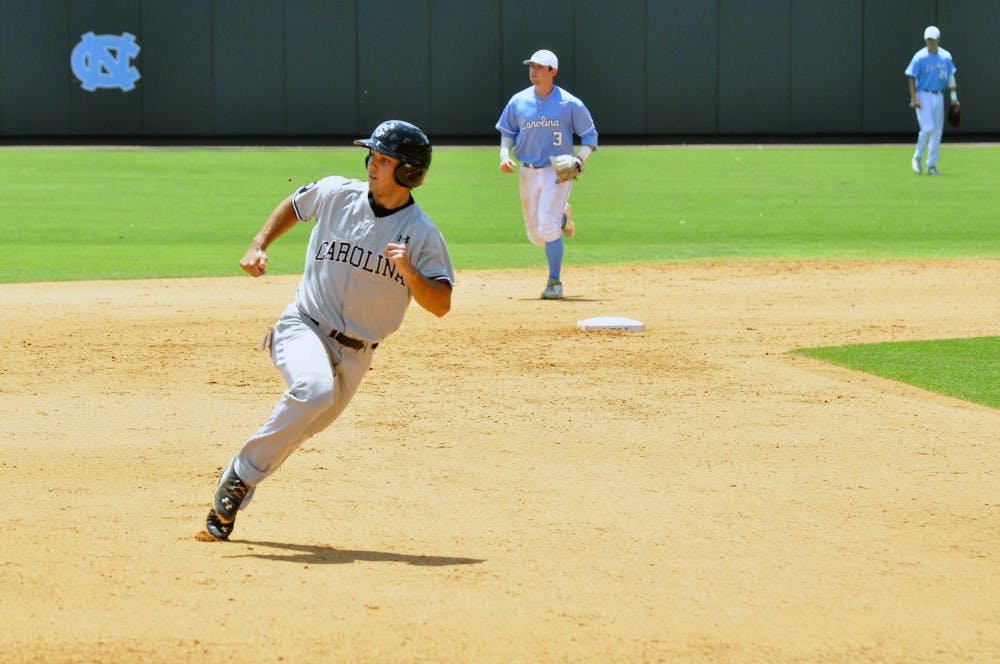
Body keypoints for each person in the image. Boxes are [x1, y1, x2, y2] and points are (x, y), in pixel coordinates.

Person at [199, 120, 454, 541]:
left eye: (384, 159)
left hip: (357, 355)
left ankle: (234, 491)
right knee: (312, 391)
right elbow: (295, 205)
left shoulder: (423, 235)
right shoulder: (338, 193)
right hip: (303, 324)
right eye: (372, 154)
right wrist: (258, 243)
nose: (372, 163)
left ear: (409, 171)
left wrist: (408, 270)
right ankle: (239, 479)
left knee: (302, 426)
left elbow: (441, 305)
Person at [496, 49, 598, 300]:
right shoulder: (518, 101)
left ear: (553, 71)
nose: (534, 70)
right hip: (527, 172)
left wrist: (579, 159)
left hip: (557, 172)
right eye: (532, 65)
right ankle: (562, 219)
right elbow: (508, 132)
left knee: (546, 226)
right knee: (536, 235)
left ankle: (554, 282)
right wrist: (503, 154)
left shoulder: (570, 103)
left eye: (540, 67)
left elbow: (590, 137)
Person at [905, 25, 959, 175]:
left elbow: (950, 76)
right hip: (923, 94)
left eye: (933, 40)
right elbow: (911, 77)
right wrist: (914, 97)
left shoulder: (946, 56)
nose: (930, 42)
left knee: (937, 131)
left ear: (938, 40)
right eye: (928, 40)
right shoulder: (920, 57)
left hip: (939, 95)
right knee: (927, 128)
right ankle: (917, 157)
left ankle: (931, 165)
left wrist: (954, 98)